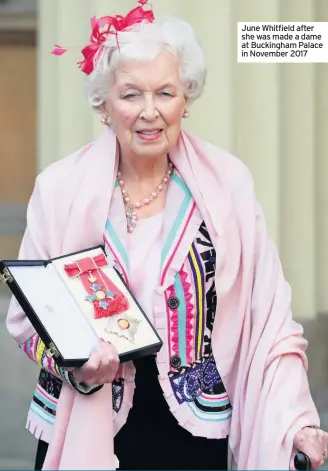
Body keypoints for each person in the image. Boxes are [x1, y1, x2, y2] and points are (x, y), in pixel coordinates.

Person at [6, 1, 328, 470]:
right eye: (131, 94)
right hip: (82, 420)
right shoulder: (58, 189)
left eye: (165, 93)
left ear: (186, 99)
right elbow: (27, 320)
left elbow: (269, 321)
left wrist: (296, 421)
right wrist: (73, 363)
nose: (149, 112)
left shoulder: (227, 186)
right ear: (104, 103)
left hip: (192, 434)